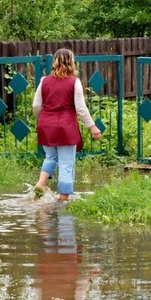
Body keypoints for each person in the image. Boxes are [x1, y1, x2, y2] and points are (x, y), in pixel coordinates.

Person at [32, 48, 102, 201]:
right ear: (71, 63)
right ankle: (63, 200)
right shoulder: (74, 82)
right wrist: (92, 127)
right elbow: (81, 109)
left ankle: (40, 183)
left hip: (46, 125)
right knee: (66, 163)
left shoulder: (44, 81)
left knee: (50, 157)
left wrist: (43, 118)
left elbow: (36, 105)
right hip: (66, 127)